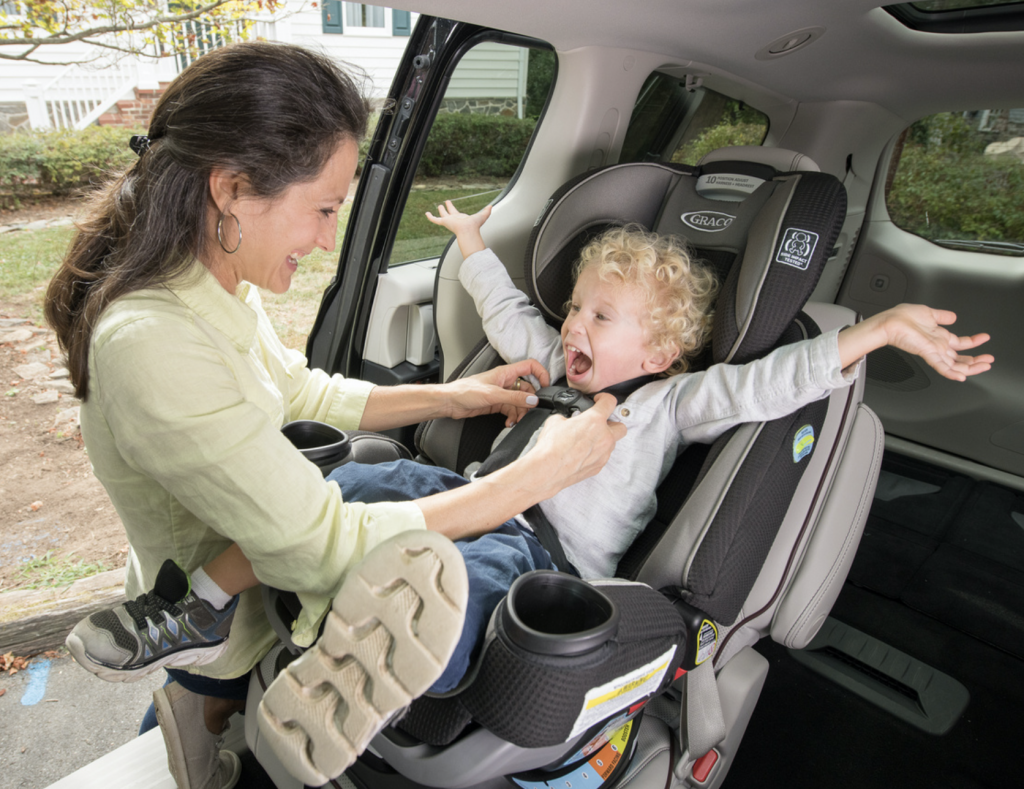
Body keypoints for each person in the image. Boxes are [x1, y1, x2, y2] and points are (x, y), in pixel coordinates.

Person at [67, 190, 994, 784]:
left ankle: (367, 667)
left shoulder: (669, 401)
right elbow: (512, 309)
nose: (574, 324)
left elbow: (762, 384)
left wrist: (869, 335)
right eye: (578, 306)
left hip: (537, 550)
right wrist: (473, 241)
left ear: (662, 349)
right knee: (353, 472)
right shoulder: (557, 358)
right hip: (465, 492)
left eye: (604, 316)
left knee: (467, 582)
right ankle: (199, 606)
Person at [46, 43, 626, 789]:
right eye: (322, 210)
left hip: (252, 585)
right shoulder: (152, 341)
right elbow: (316, 545)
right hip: (234, 621)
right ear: (231, 188)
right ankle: (198, 715)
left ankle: (193, 730)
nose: (328, 239)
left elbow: (299, 393)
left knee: (386, 483)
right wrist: (537, 474)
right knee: (213, 710)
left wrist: (459, 395)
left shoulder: (207, 276)